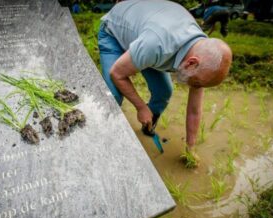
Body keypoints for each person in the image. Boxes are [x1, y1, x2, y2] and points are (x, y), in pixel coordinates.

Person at [98, 0, 232, 156]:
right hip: (114, 33)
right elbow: (117, 73)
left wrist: (191, 148)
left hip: (144, 38)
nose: (195, 87)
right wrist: (141, 107)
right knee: (113, 97)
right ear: (191, 63)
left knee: (164, 91)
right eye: (196, 83)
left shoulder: (200, 54)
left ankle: (148, 125)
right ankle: (102, 138)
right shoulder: (156, 44)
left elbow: (194, 110)